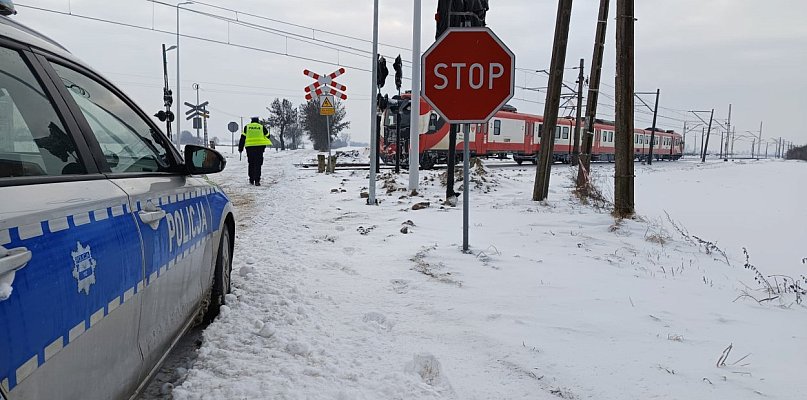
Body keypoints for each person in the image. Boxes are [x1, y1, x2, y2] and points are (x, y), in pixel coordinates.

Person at [238, 117, 273, 186]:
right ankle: (257, 180)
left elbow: (242, 138)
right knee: (258, 164)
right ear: (258, 121)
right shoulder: (261, 127)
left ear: (251, 121)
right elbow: (268, 136)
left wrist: (240, 148)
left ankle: (251, 179)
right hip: (259, 148)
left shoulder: (247, 127)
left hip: (250, 148)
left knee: (251, 163)